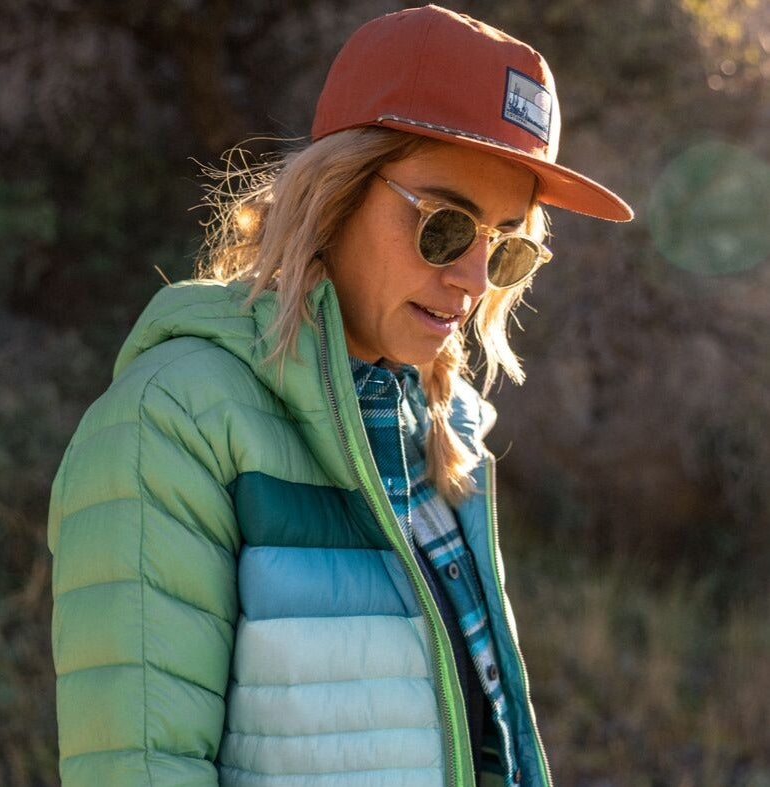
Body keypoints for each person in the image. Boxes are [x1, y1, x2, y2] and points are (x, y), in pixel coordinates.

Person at [48, 5, 632, 786]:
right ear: (336, 193)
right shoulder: (174, 420)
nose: (470, 279)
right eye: (445, 226)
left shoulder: (443, 430)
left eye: (506, 246)